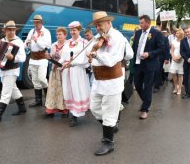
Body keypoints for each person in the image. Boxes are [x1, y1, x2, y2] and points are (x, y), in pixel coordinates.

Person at [87, 11, 133, 156]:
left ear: (108, 22)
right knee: (94, 107)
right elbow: (88, 53)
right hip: (99, 80)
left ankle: (109, 142)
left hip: (112, 81)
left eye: (99, 24)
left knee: (109, 111)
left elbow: (112, 60)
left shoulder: (117, 38)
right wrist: (71, 63)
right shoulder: (97, 38)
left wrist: (97, 54)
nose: (97, 28)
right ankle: (111, 126)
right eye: (95, 25)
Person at [0, 20, 27, 124]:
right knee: (13, 89)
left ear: (15, 30)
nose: (11, 32)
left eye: (13, 30)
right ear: (5, 31)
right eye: (9, 30)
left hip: (12, 70)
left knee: (6, 93)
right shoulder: (2, 41)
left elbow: (23, 58)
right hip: (3, 70)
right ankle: (22, 108)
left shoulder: (18, 41)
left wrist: (13, 57)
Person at [132, 15, 164, 119]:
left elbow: (161, 48)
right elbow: (134, 47)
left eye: (141, 23)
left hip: (150, 64)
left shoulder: (156, 34)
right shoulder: (137, 33)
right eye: (140, 23)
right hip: (138, 63)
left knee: (148, 87)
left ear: (148, 23)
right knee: (137, 85)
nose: (140, 25)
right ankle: (146, 101)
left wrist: (149, 54)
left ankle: (145, 109)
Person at [60, 21, 90, 127]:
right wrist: (61, 64)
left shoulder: (84, 42)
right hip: (67, 71)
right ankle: (71, 111)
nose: (72, 32)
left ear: (79, 30)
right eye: (71, 30)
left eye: (75, 30)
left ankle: (75, 116)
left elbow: (86, 59)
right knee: (68, 90)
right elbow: (63, 57)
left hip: (77, 70)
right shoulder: (67, 43)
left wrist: (73, 63)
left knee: (76, 90)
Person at [25, 15, 52, 107]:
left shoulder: (46, 32)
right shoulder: (31, 31)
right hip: (33, 59)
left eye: (37, 22)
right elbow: (26, 45)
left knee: (42, 79)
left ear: (41, 23)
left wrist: (37, 40)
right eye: (34, 22)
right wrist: (27, 43)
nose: (35, 24)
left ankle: (49, 99)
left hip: (42, 58)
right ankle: (38, 101)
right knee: (35, 81)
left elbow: (47, 46)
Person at [45, 27, 69, 117]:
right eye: (57, 34)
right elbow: (51, 56)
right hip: (54, 70)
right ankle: (51, 109)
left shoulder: (68, 45)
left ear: (65, 35)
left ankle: (64, 110)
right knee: (53, 90)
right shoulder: (53, 45)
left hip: (63, 71)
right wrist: (48, 57)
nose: (58, 36)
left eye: (60, 34)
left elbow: (68, 58)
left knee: (63, 90)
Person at [154, 28, 170, 93]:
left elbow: (167, 48)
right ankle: (155, 83)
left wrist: (167, 58)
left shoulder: (164, 38)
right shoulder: (150, 37)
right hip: (152, 57)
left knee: (158, 71)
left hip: (160, 57)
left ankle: (156, 86)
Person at [169, 29, 184, 95]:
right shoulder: (174, 41)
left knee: (180, 74)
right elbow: (172, 50)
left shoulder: (183, 41)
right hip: (174, 58)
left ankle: (180, 88)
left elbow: (185, 50)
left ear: (181, 34)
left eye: (178, 33)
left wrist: (180, 57)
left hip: (181, 58)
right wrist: (173, 57)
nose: (176, 34)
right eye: (176, 33)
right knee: (173, 73)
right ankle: (175, 86)